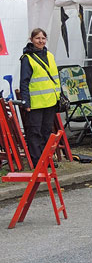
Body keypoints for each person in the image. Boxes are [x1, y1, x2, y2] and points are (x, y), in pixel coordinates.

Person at [18, 28, 59, 167]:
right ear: (31, 40)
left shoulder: (50, 56)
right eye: (37, 38)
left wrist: (57, 97)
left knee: (47, 132)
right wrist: (26, 102)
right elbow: (24, 81)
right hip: (35, 103)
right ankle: (37, 162)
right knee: (35, 133)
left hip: (50, 101)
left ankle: (47, 159)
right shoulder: (27, 58)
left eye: (43, 38)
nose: (40, 41)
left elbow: (55, 78)